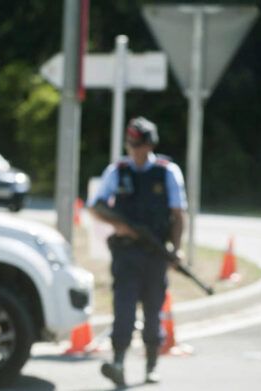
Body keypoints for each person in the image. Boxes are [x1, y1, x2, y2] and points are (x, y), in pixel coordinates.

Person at [88, 117, 187, 387]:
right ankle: (118, 362)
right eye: (131, 144)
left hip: (155, 254)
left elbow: (178, 215)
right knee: (124, 309)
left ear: (149, 145)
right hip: (126, 253)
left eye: (139, 144)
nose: (134, 150)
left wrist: (176, 251)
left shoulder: (167, 172)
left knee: (154, 310)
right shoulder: (118, 170)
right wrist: (121, 226)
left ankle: (151, 365)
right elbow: (96, 206)